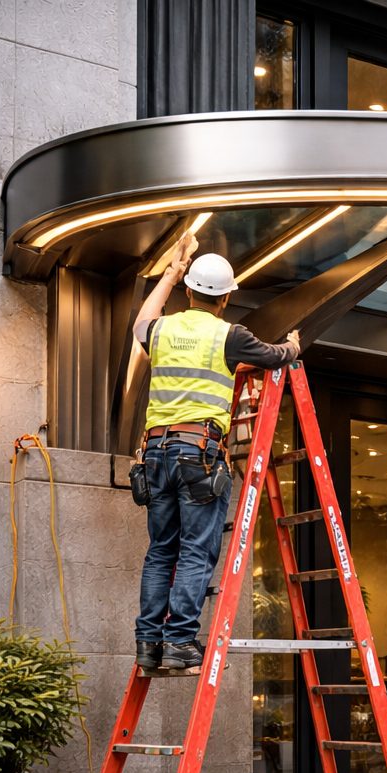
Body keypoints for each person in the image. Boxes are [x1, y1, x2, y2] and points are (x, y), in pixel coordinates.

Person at [131, 234, 300, 671]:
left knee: (160, 551)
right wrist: (295, 346)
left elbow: (140, 323)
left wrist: (168, 273)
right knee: (195, 550)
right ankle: (181, 642)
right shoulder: (229, 335)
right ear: (225, 298)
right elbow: (275, 355)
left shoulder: (163, 329)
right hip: (198, 453)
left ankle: (149, 644)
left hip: (156, 454)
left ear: (189, 292)